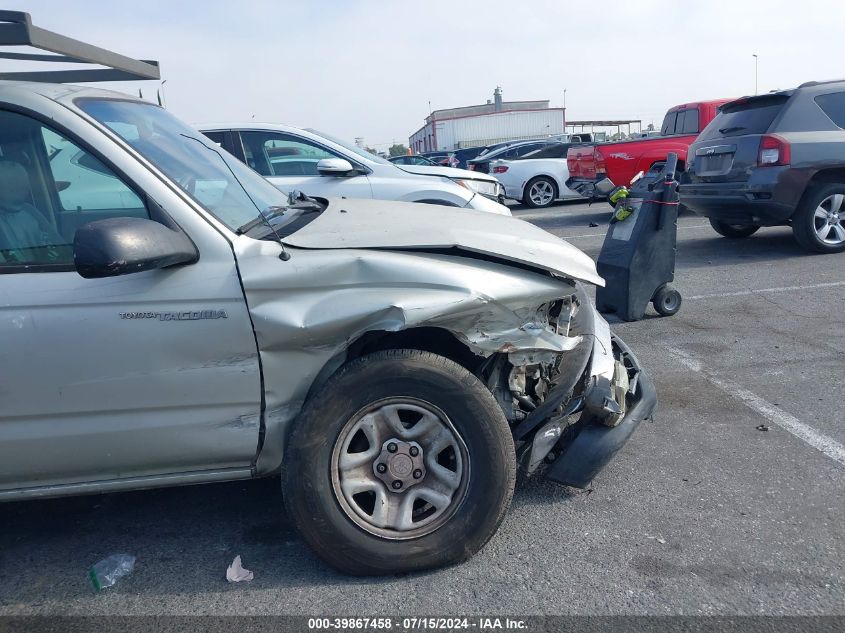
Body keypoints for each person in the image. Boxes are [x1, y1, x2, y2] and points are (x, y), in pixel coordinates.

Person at [0, 160, 65, 263]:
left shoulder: (29, 212)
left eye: (22, 183)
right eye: (13, 183)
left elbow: (56, 253)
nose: (26, 188)